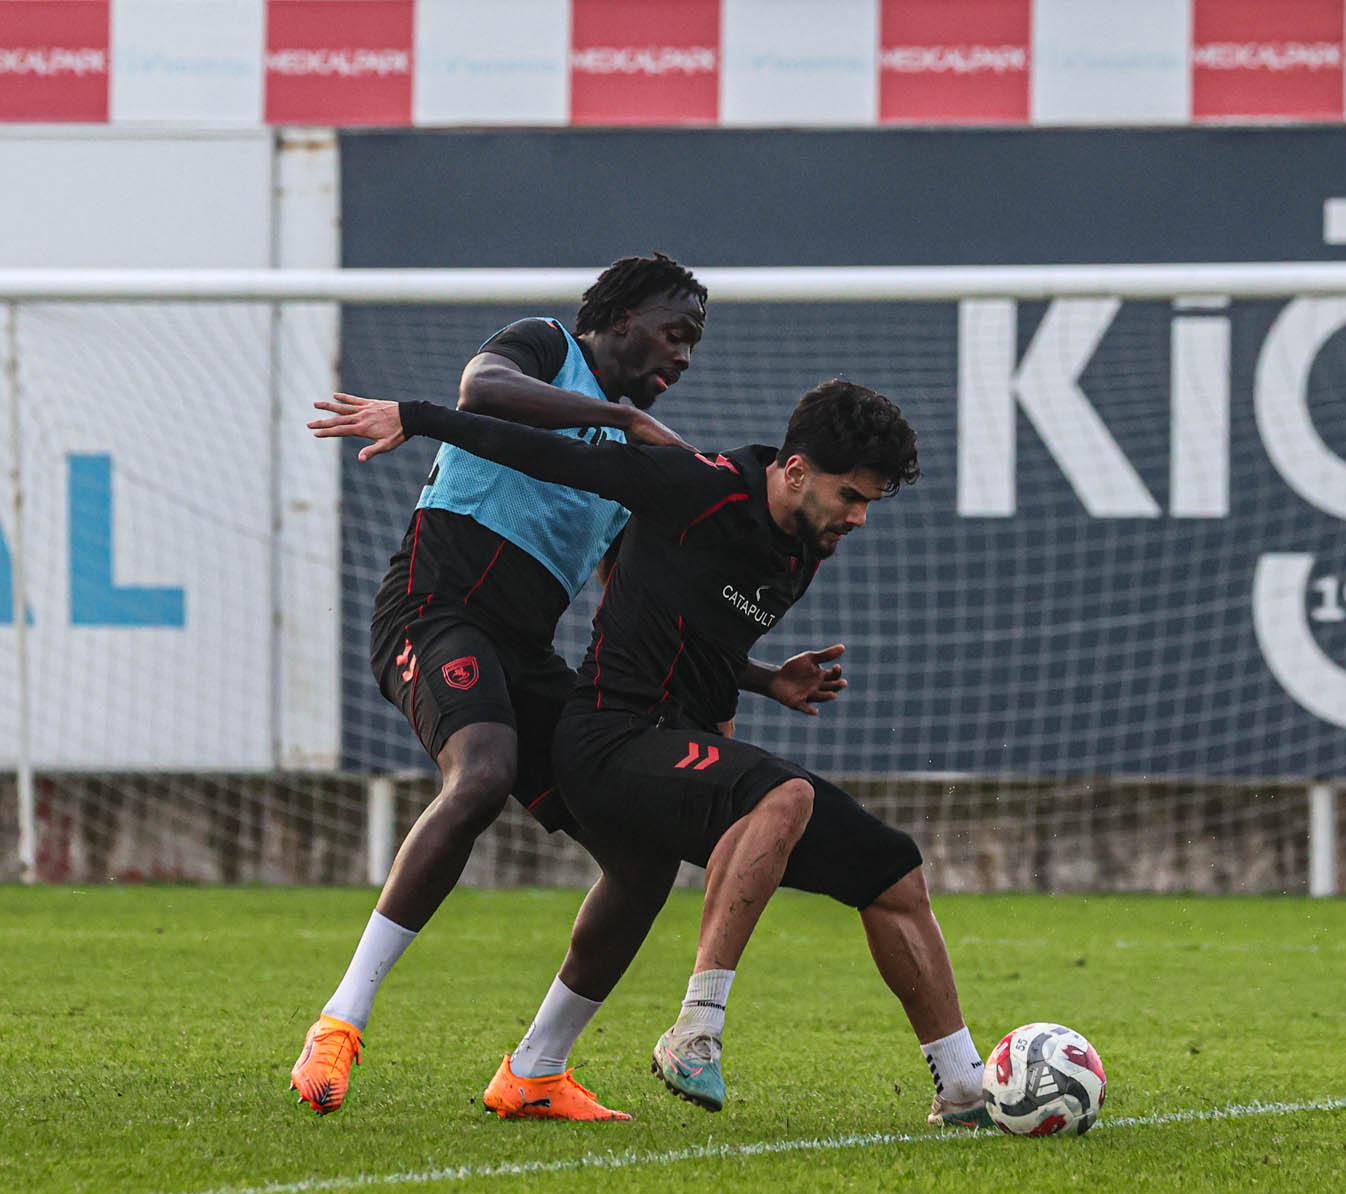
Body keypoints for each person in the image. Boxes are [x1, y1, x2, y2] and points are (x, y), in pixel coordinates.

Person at [308, 379, 992, 1128]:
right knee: (784, 794)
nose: (859, 517)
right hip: (607, 737)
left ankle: (964, 1089)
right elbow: (549, 456)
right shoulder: (699, 487)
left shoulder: (802, 546)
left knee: (892, 866)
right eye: (851, 496)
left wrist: (764, 681)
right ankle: (695, 1030)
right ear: (795, 471)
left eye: (870, 502)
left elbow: (701, 642)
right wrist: (414, 417)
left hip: (675, 749)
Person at [289, 254, 726, 1115]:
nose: (683, 357)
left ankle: (535, 1071)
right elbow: (481, 390)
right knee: (483, 770)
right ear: (622, 317)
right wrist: (620, 419)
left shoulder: (628, 460)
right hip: (431, 611)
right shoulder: (546, 345)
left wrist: (755, 673)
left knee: (645, 852)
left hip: (522, 653)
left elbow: (633, 602)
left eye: (694, 345)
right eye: (676, 333)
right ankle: (339, 1022)